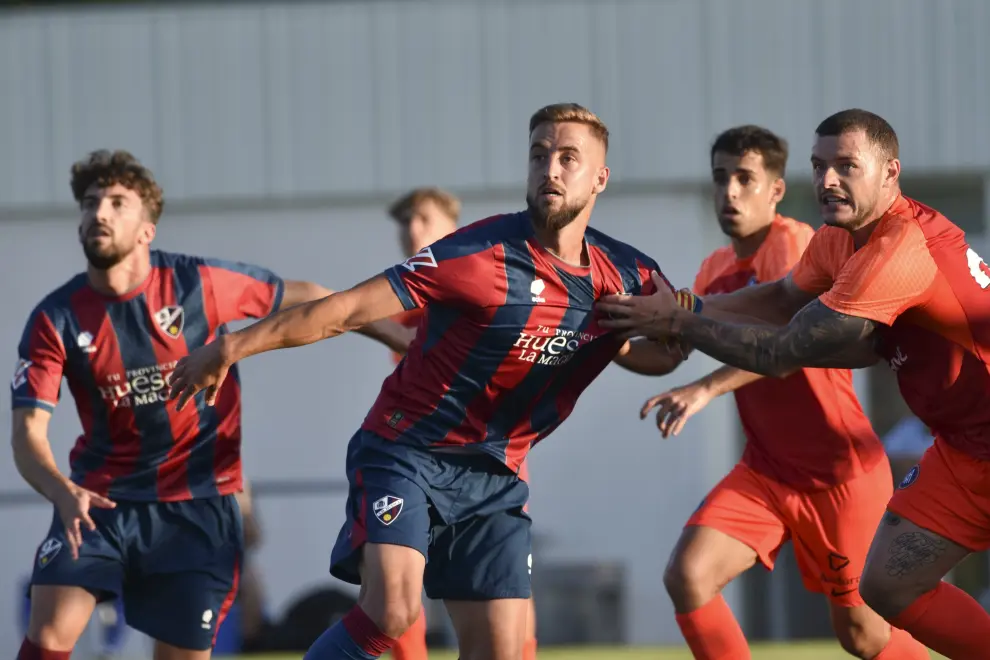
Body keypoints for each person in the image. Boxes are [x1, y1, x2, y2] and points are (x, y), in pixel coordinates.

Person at [166, 103, 697, 660]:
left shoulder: (631, 274)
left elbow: (648, 354)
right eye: (539, 155)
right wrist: (231, 346)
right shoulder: (476, 254)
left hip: (496, 474)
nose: (551, 170)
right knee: (393, 610)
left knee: (502, 650)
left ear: (600, 177)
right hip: (407, 452)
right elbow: (344, 309)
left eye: (569, 158)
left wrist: (676, 339)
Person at [597, 108, 990, 659]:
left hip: (841, 470)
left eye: (846, 166)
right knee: (885, 588)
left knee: (863, 631)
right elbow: (780, 301)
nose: (828, 180)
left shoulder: (895, 247)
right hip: (950, 450)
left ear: (890, 172)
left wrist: (682, 329)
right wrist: (653, 318)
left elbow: (785, 352)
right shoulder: (835, 241)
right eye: (820, 166)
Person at [11, 150, 413, 660]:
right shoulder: (56, 317)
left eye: (117, 203)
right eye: (91, 203)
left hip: (198, 505)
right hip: (97, 503)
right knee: (47, 638)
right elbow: (26, 435)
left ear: (146, 230)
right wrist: (61, 492)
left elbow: (309, 295)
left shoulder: (195, 283)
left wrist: (400, 341)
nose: (100, 213)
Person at [385, 188, 539, 660]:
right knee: (391, 584)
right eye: (406, 222)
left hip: (489, 460)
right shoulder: (405, 299)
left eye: (424, 219)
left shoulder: (481, 282)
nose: (413, 230)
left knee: (506, 588)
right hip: (422, 460)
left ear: (452, 227)